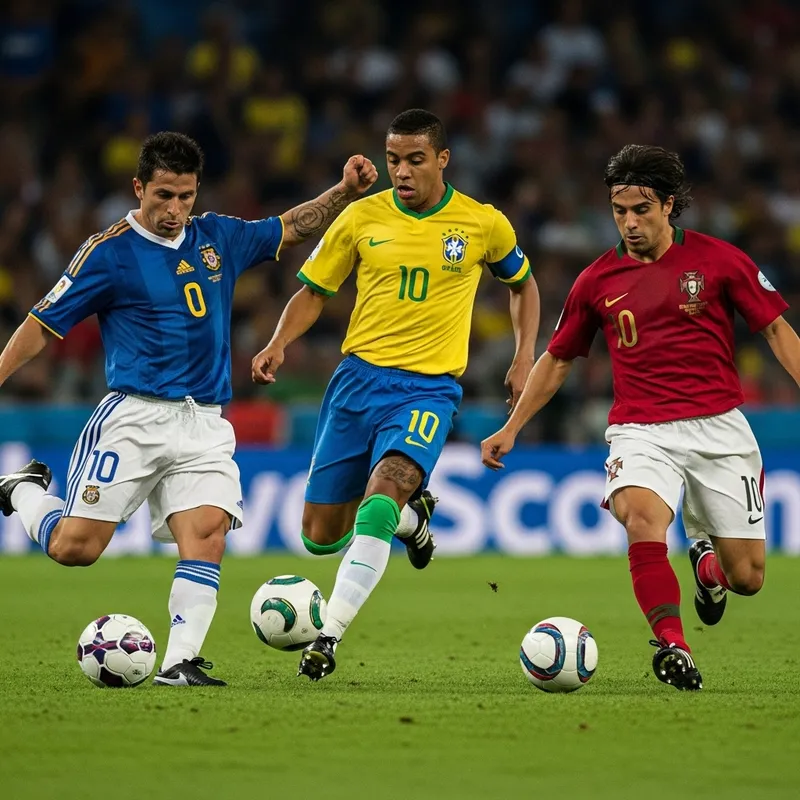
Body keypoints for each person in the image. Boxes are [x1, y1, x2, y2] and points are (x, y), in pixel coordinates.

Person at [0, 131, 377, 687]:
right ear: (138, 188)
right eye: (163, 196)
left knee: (206, 533)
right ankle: (21, 489)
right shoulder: (107, 253)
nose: (175, 210)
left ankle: (179, 662)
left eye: (185, 197)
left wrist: (343, 191)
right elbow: (41, 323)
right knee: (75, 549)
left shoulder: (216, 236)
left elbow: (290, 227)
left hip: (204, 421)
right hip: (133, 418)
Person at [480, 144, 799, 691]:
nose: (629, 222)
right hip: (641, 429)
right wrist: (512, 427)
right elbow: (556, 359)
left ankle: (707, 570)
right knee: (642, 519)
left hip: (720, 428)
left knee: (747, 577)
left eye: (641, 210)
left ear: (669, 206)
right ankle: (673, 644)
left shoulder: (722, 261)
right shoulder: (596, 281)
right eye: (619, 210)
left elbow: (775, 330)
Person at [252, 108, 541, 681]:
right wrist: (279, 341)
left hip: (429, 390)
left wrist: (523, 353)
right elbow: (314, 291)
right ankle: (415, 523)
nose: (401, 172)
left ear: (442, 159)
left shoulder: (482, 223)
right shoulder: (361, 217)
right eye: (392, 160)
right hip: (356, 383)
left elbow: (523, 284)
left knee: (381, 498)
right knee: (320, 537)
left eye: (413, 160)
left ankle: (328, 638)